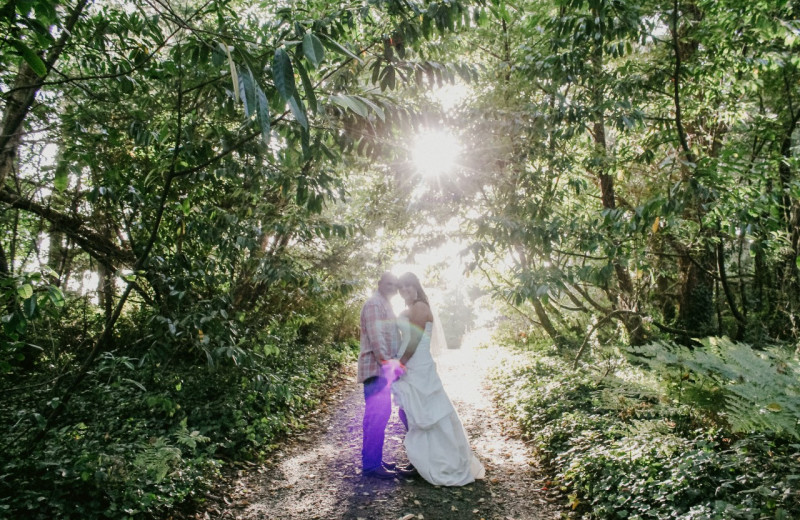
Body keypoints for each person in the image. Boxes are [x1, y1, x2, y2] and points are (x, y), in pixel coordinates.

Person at [392, 272, 485, 486]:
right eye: (401, 287)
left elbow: (414, 338)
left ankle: (431, 462)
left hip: (417, 363)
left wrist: (402, 362)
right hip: (410, 362)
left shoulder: (420, 307)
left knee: (424, 412)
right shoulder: (410, 308)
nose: (405, 290)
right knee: (411, 411)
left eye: (409, 286)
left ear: (416, 287)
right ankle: (419, 459)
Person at [358, 271, 403, 479]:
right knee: (377, 416)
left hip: (381, 368)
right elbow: (377, 339)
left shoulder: (385, 304)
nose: (392, 287)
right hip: (377, 369)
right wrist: (388, 364)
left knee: (380, 415)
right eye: (388, 283)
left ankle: (374, 460)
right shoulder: (375, 304)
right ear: (379, 284)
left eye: (395, 284)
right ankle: (371, 466)